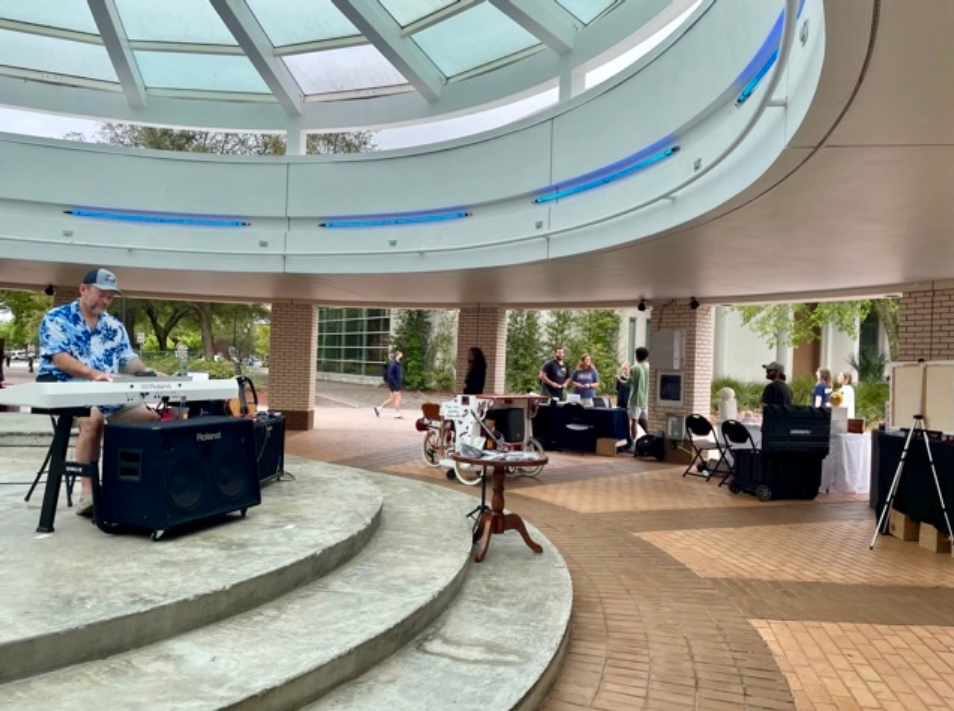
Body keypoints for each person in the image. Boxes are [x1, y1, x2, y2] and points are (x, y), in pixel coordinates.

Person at [37, 268, 160, 517]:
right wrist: (93, 374)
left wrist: (147, 372)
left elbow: (128, 359)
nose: (105, 301)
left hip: (111, 395)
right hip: (69, 393)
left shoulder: (114, 326)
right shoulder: (56, 318)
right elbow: (59, 358)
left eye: (110, 297)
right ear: (83, 289)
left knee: (152, 422)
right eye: (101, 295)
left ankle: (130, 485)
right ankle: (88, 492)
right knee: (93, 420)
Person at [375, 350, 404, 419]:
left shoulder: (398, 363)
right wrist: (395, 383)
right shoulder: (393, 364)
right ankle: (397, 414)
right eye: (401, 354)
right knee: (398, 398)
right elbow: (390, 375)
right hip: (393, 384)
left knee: (392, 399)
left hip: (396, 383)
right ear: (397, 355)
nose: (402, 355)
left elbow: (398, 374)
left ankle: (378, 408)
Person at [629, 347, 650, 439]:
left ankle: (634, 442)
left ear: (636, 356)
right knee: (645, 421)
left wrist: (621, 379)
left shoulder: (634, 368)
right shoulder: (648, 366)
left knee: (634, 422)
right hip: (645, 399)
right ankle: (649, 439)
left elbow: (630, 383)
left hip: (636, 398)